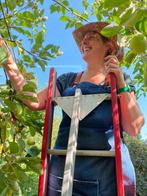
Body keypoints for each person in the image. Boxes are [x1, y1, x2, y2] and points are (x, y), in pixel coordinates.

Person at [2, 22, 144, 195]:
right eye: (82, 40)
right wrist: (7, 59)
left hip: (104, 175)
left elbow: (134, 127)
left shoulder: (121, 81)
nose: (84, 42)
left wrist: (121, 83)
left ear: (109, 45)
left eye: (91, 37)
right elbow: (33, 101)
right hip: (61, 172)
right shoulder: (68, 80)